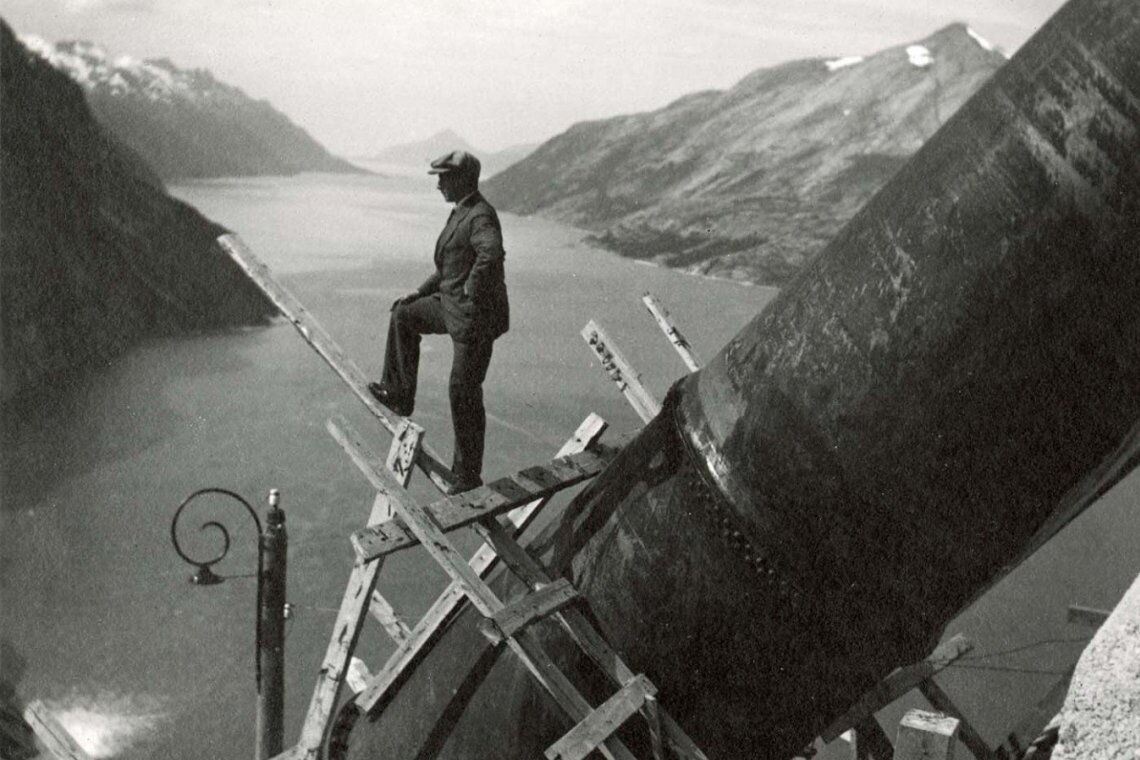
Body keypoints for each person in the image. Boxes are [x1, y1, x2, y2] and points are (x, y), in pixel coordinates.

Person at [369, 150, 509, 492]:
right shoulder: (461, 212)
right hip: (452, 307)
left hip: (475, 320)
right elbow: (448, 269)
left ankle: (466, 476)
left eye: (443, 178)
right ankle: (399, 394)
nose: (438, 185)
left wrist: (472, 292)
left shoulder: (479, 216)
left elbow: (491, 253)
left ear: (462, 179)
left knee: (463, 391)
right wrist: (418, 293)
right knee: (404, 314)